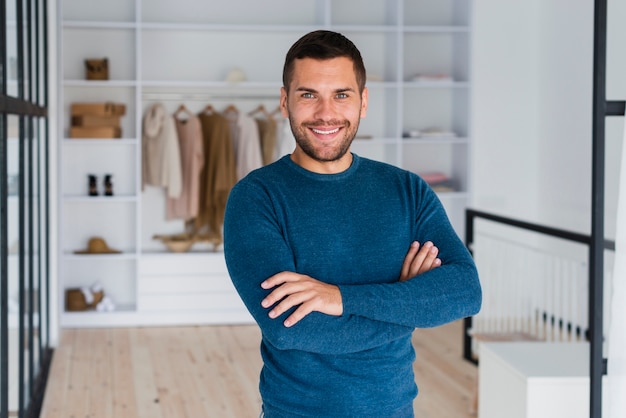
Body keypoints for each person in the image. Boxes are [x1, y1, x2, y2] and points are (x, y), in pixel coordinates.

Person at [224, 30, 482, 418]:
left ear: (363, 102)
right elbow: (291, 328)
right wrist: (407, 302)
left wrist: (338, 298)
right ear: (284, 102)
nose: (326, 113)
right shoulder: (256, 197)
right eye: (308, 94)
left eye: (341, 95)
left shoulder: (406, 189)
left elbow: (465, 291)